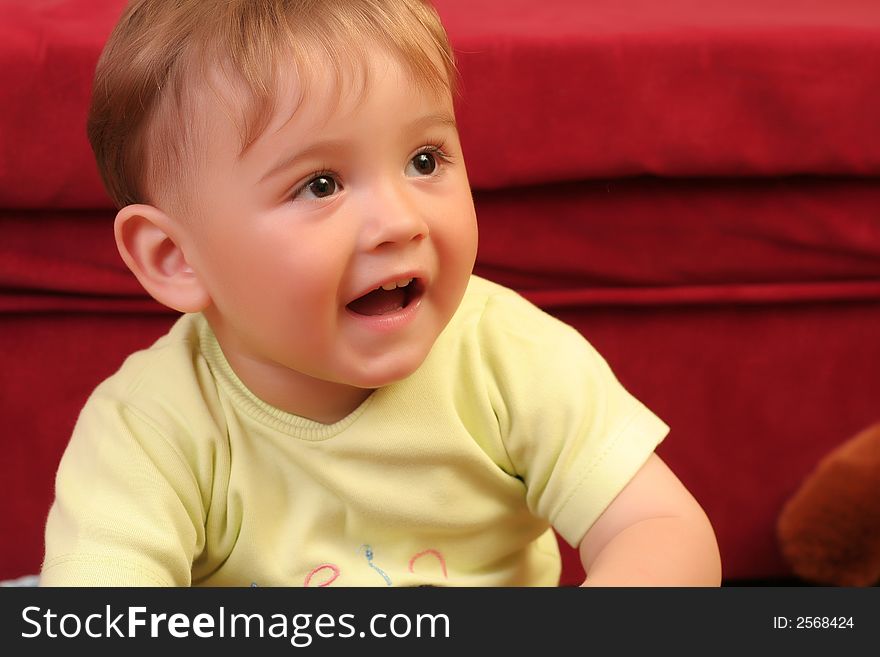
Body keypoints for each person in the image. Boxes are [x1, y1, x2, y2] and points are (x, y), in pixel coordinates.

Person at [41, 0, 721, 587]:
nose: (401, 220)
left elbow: (661, 525)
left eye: (425, 160)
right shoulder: (152, 422)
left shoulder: (508, 356)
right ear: (176, 258)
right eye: (321, 184)